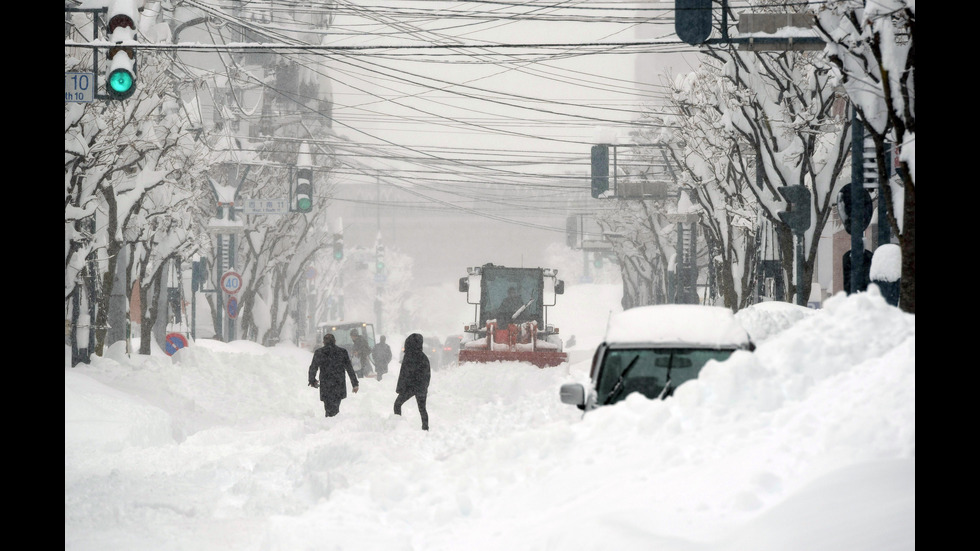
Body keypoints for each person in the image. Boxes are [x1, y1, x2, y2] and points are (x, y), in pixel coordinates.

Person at [308, 333, 359, 418]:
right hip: (338, 383)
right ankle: (334, 420)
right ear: (335, 341)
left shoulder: (319, 352)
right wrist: (355, 384)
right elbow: (349, 369)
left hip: (326, 384)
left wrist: (312, 380)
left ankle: (329, 419)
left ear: (323, 342)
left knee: (327, 405)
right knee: (336, 405)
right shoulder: (342, 352)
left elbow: (313, 367)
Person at [394, 333, 431, 431]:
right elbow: (427, 375)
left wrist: (401, 388)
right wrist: (424, 387)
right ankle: (425, 428)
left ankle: (398, 425)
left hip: (409, 387)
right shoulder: (424, 358)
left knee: (397, 404)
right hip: (420, 388)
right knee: (422, 409)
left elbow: (404, 374)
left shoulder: (408, 357)